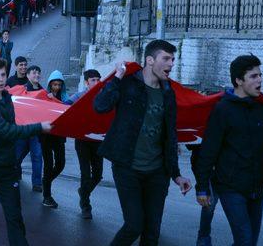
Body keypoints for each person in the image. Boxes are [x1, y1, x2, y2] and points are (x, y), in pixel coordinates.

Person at [94, 40, 192, 246]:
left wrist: (175, 173)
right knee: (134, 225)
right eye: (166, 58)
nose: (171, 64)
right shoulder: (128, 84)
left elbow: (170, 135)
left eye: (173, 59)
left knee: (152, 232)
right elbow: (100, 106)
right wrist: (117, 77)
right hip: (127, 167)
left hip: (158, 172)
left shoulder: (168, 92)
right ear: (150, 60)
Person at [0, 57, 52, 246]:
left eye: (3, 75)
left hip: (6, 167)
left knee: (14, 216)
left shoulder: (6, 97)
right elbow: (6, 131)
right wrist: (39, 127)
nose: (0, 79)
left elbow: (12, 125)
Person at [194, 54, 263, 246]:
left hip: (257, 187)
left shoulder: (262, 108)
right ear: (238, 81)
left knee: (249, 242)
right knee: (245, 240)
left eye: (260, 75)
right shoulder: (223, 110)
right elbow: (208, 151)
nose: (260, 80)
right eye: (254, 76)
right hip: (231, 187)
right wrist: (202, 188)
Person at [66, 69, 103, 219]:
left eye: (98, 79)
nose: (96, 82)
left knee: (98, 175)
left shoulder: (104, 96)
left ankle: (83, 191)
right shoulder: (80, 96)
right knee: (85, 174)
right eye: (93, 80)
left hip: (98, 140)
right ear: (86, 82)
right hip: (82, 141)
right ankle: (85, 206)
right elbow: (64, 105)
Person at [39, 70, 70, 209]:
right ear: (50, 85)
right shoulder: (45, 96)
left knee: (60, 164)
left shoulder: (65, 97)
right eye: (54, 84)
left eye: (58, 84)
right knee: (48, 165)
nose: (56, 87)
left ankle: (45, 182)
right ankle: (47, 195)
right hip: (46, 136)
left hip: (59, 136)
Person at [15, 66, 45, 193]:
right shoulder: (21, 90)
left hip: (36, 130)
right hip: (23, 129)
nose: (36, 75)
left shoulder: (43, 92)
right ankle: (13, 176)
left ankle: (37, 183)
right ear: (27, 75)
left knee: (37, 156)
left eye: (38, 73)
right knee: (17, 155)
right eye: (34, 73)